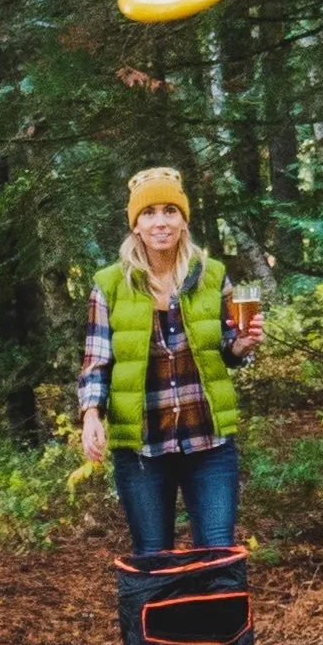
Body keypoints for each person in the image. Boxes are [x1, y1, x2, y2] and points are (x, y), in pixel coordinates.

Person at [77, 168, 255, 559]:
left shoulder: (213, 277)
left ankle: (219, 623)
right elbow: (97, 361)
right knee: (153, 559)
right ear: (136, 225)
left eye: (171, 211)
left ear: (184, 219)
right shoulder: (109, 285)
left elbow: (229, 349)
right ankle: (159, 624)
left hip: (209, 442)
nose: (161, 221)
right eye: (150, 213)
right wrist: (91, 415)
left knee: (219, 555)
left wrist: (243, 343)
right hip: (142, 447)